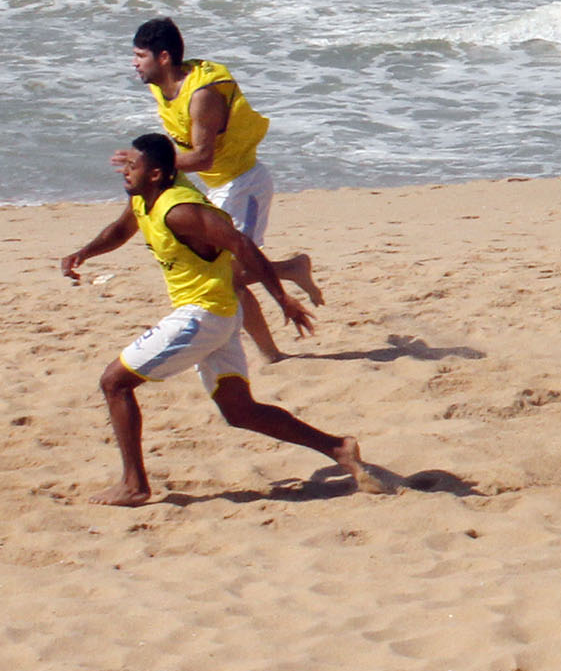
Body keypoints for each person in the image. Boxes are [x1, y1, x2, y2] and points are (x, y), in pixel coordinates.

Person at [60, 134, 383, 506]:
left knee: (114, 383)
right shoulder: (142, 198)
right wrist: (83, 253)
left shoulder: (179, 210)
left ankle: (134, 484)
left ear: (156, 174)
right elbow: (121, 229)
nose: (126, 171)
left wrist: (283, 299)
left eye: (134, 166)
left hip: (203, 316)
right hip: (218, 314)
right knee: (240, 410)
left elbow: (242, 244)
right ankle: (340, 449)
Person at [130, 17, 323, 363]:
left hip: (244, 183)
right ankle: (272, 353)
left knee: (231, 273)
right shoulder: (159, 84)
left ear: (163, 58)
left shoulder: (202, 94)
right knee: (227, 276)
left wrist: (152, 165)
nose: (134, 62)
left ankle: (291, 270)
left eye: (140, 55)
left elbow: (203, 157)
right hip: (217, 185)